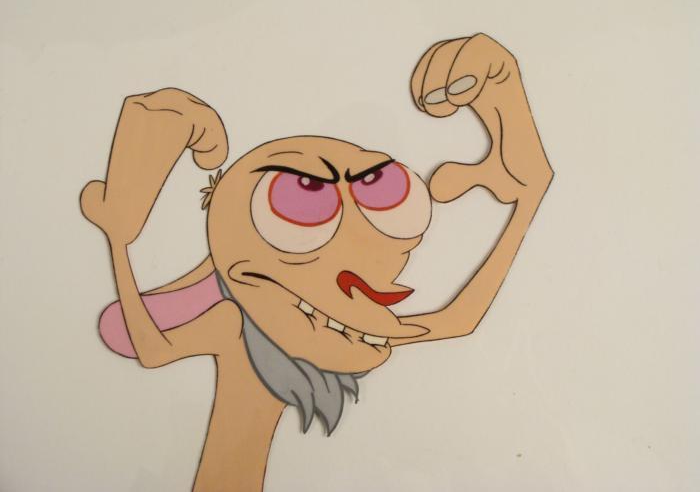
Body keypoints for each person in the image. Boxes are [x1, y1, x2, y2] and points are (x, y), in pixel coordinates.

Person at [80, 33, 553, 492]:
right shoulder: (231, 320)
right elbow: (154, 350)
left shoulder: (350, 323)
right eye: (302, 197)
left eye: (382, 188)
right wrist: (118, 240)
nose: (360, 239)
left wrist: (530, 196)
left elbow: (459, 320)